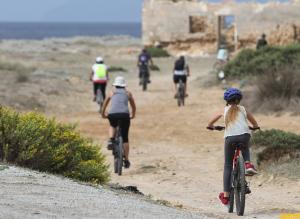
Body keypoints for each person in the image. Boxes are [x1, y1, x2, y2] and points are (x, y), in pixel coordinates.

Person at [207, 88, 259, 206]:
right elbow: (254, 122)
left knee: (228, 165)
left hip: (230, 138)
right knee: (245, 144)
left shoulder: (224, 110)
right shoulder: (243, 109)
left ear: (227, 101)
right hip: (244, 135)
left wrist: (211, 126)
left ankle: (226, 196)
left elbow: (211, 122)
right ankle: (247, 164)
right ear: (239, 100)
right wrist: (255, 126)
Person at [101, 76, 136, 169]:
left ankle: (111, 140)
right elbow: (133, 106)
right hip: (125, 115)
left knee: (112, 125)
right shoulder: (128, 93)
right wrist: (133, 114)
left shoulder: (111, 92)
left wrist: (103, 114)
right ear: (124, 86)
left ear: (115, 85)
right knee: (125, 138)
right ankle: (127, 160)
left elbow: (104, 104)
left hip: (113, 114)